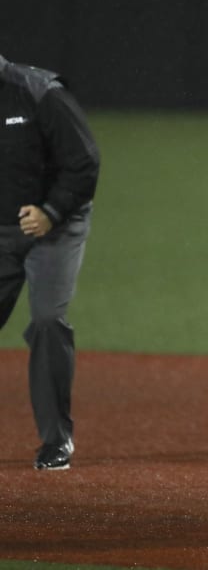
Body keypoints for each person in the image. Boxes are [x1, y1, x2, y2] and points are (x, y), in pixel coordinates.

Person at [0, 55, 100, 470]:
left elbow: (84, 161)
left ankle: (56, 440)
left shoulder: (39, 92)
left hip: (53, 227)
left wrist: (51, 211)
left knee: (46, 320)